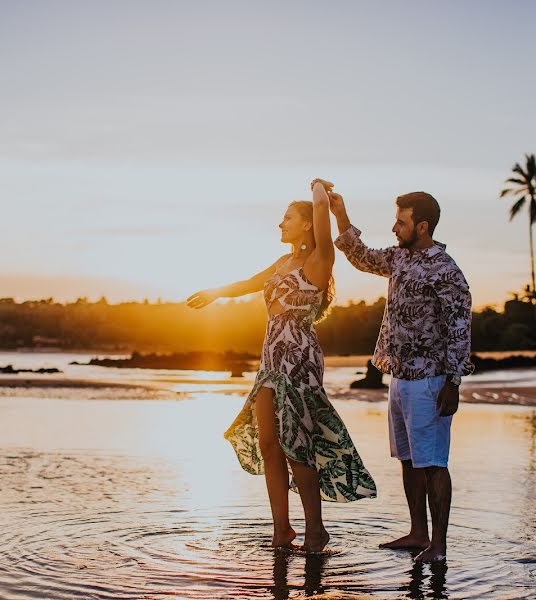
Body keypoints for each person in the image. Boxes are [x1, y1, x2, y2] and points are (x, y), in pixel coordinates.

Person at [187, 180, 376, 552]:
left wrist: (318, 188)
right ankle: (282, 530)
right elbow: (248, 283)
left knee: (296, 446)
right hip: (270, 358)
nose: (280, 224)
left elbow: (321, 207)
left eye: (287, 218)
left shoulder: (320, 259)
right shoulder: (283, 262)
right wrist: (214, 293)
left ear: (306, 224)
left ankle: (316, 530)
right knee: (270, 444)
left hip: (299, 360)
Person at [328, 187, 474, 563]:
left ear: (422, 226)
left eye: (401, 221)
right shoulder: (398, 259)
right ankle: (417, 533)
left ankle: (438, 546)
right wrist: (339, 212)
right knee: (409, 459)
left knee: (434, 463)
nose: (394, 228)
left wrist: (454, 382)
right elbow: (359, 256)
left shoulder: (447, 270)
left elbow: (459, 328)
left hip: (430, 379)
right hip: (398, 376)